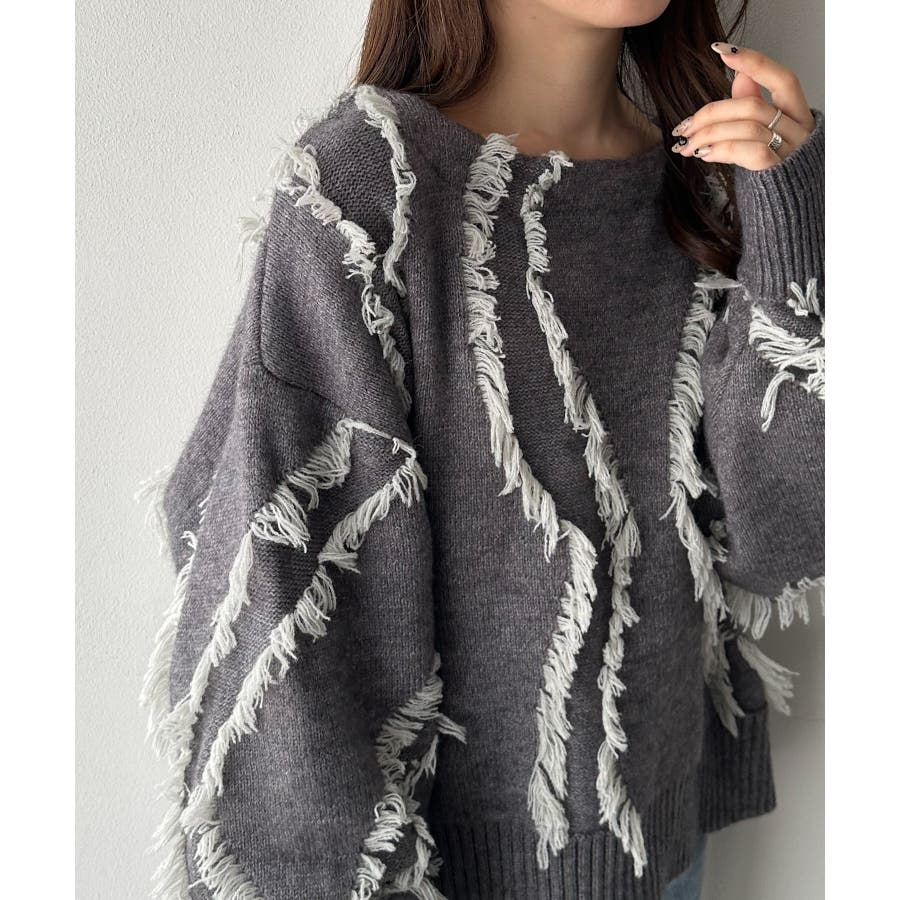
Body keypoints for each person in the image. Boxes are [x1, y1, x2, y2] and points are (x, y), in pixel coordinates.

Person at [135, 1, 824, 898]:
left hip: (664, 843)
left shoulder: (715, 176)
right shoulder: (368, 191)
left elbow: (777, 547)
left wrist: (792, 235)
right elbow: (276, 598)